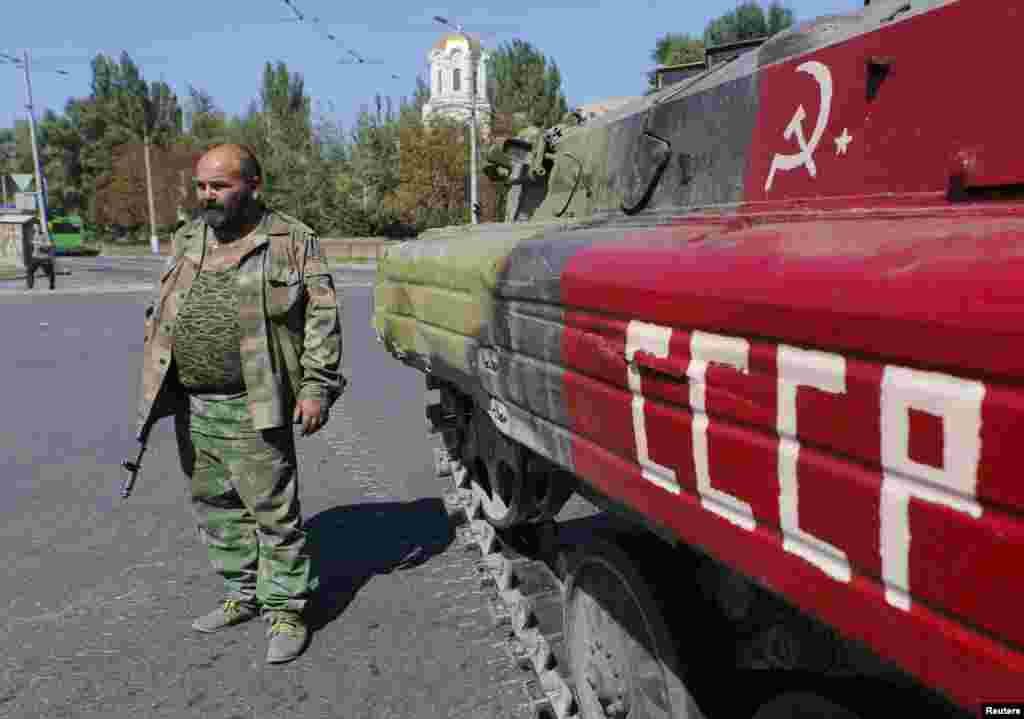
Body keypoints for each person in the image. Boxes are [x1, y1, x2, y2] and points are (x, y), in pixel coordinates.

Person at [135, 143, 344, 664]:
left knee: (273, 513)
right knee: (216, 507)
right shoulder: (189, 236)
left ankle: (286, 610)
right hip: (193, 402)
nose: (207, 195)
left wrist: (317, 387)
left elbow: (322, 318)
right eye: (202, 185)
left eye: (219, 185)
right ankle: (242, 593)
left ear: (253, 185)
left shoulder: (292, 241)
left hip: (257, 402)